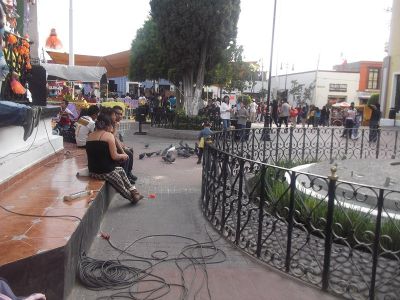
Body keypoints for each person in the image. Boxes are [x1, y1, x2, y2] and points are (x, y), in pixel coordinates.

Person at [86, 113, 144, 203]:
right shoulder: (109, 136)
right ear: (108, 126)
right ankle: (133, 198)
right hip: (104, 172)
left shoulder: (90, 135)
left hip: (92, 171)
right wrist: (124, 155)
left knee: (120, 170)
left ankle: (134, 191)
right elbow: (115, 156)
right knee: (120, 185)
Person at [112, 106, 137, 184]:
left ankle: (129, 173)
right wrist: (123, 150)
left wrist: (123, 145)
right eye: (118, 114)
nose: (120, 116)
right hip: (110, 147)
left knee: (130, 150)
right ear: (114, 114)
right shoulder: (111, 123)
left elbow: (116, 138)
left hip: (114, 145)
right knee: (128, 153)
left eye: (121, 114)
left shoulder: (116, 123)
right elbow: (112, 137)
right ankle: (125, 178)